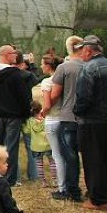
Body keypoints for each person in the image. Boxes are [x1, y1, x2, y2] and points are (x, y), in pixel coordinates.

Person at [73, 35, 107, 211]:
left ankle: (98, 200)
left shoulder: (88, 69)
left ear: (88, 50)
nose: (80, 54)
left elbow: (84, 97)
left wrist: (78, 112)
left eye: (81, 50)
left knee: (93, 160)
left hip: (91, 122)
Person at [0, 45, 32, 186]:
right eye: (14, 53)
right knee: (11, 148)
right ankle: (10, 179)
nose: (16, 56)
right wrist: (26, 113)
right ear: (7, 55)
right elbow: (23, 96)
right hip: (13, 116)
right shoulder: (14, 74)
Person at [48, 36, 85, 202]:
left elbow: (55, 93)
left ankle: (71, 190)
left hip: (68, 115)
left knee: (70, 156)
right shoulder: (89, 66)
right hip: (87, 117)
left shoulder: (64, 68)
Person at [38, 55, 65, 193]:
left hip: (53, 119)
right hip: (65, 119)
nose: (41, 66)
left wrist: (42, 112)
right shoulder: (64, 79)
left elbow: (48, 104)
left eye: (42, 64)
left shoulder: (47, 82)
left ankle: (62, 186)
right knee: (67, 153)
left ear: (48, 66)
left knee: (57, 154)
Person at [16, 51, 40, 182]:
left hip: (13, 114)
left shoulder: (10, 76)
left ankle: (16, 176)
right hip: (27, 113)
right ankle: (34, 175)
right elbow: (36, 80)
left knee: (13, 147)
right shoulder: (28, 76)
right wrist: (32, 65)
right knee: (31, 146)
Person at [22, 100, 55, 187]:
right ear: (40, 109)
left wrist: (23, 125)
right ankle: (54, 180)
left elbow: (26, 131)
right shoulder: (45, 119)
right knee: (52, 162)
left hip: (36, 146)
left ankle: (43, 182)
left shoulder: (30, 121)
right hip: (48, 145)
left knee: (39, 164)